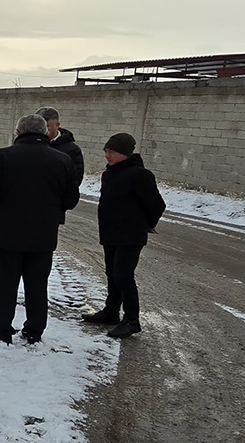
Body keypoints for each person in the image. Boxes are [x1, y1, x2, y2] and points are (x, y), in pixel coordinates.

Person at [0, 115, 79, 345]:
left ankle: (1, 331)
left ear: (18, 133)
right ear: (45, 133)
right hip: (43, 235)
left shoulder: (2, 156)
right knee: (37, 285)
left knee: (4, 284)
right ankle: (34, 330)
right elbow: (71, 199)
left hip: (4, 234)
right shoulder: (62, 160)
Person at [82, 133, 165, 338]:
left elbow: (157, 204)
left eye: (112, 151)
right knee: (112, 273)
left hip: (130, 235)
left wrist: (147, 224)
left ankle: (132, 320)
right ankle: (111, 311)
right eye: (106, 150)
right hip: (111, 233)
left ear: (125, 153)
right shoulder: (109, 174)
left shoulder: (140, 175)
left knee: (123, 275)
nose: (107, 155)